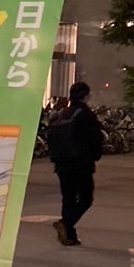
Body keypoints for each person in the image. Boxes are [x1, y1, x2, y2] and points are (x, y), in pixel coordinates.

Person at [48, 80, 103, 246]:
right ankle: (67, 224)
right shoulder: (86, 115)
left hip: (62, 164)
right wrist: (95, 156)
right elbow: (96, 139)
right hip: (81, 164)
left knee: (68, 198)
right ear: (86, 96)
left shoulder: (63, 114)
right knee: (86, 198)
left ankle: (69, 236)